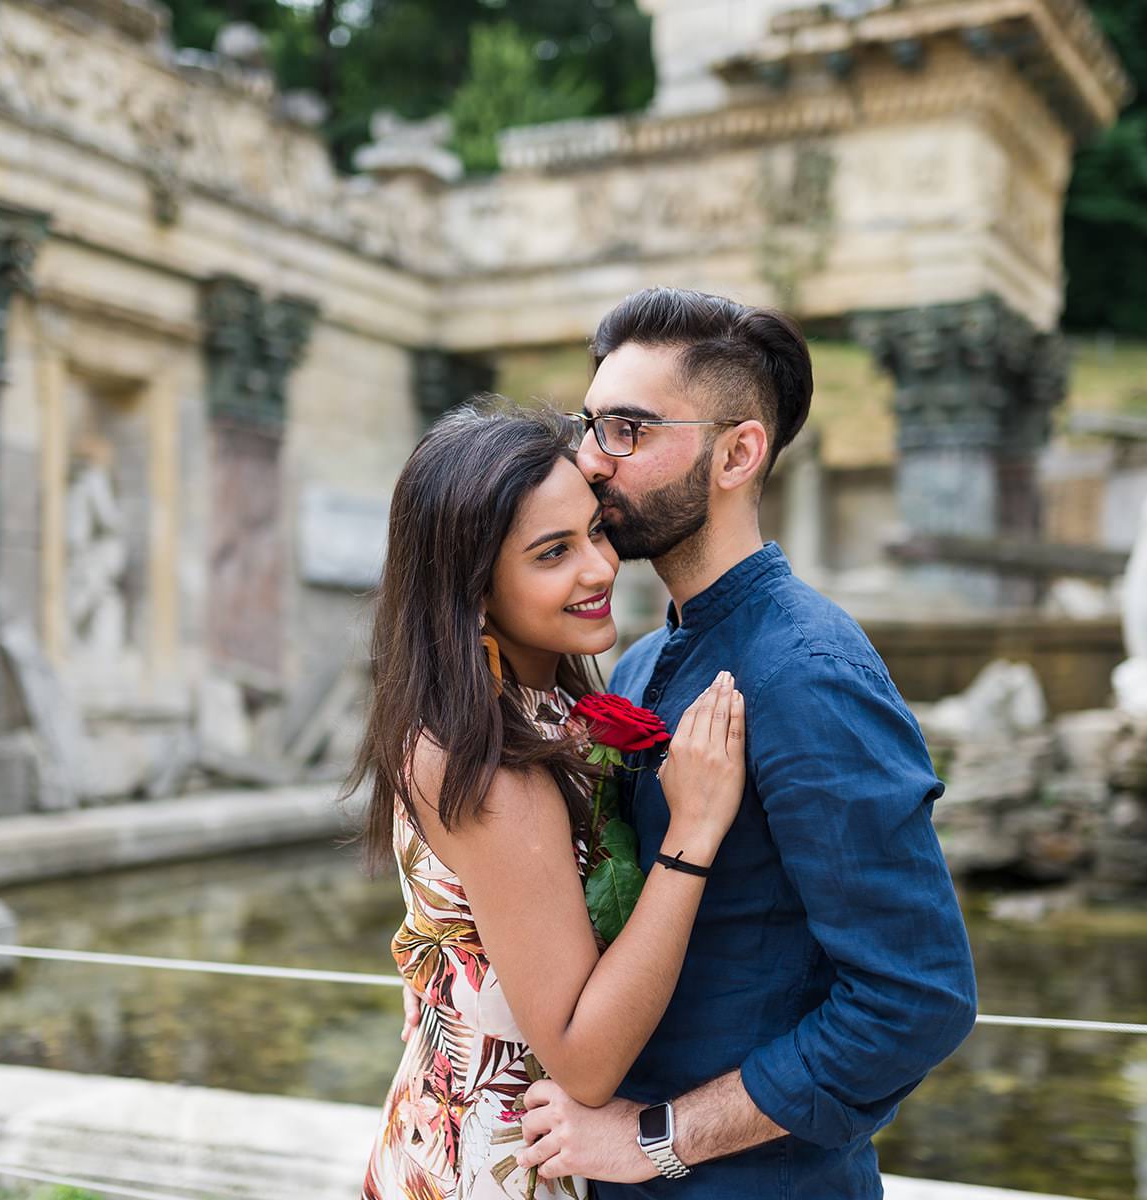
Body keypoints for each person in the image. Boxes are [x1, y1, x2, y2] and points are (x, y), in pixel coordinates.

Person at [515, 287, 977, 1197]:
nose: (590, 461)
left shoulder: (808, 671)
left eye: (628, 430)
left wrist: (659, 1138)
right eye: (590, 425)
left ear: (737, 453)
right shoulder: (641, 662)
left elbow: (915, 998)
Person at [350, 403, 749, 1200]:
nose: (599, 568)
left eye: (595, 532)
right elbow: (583, 1058)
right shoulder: (491, 764)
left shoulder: (511, 709)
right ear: (474, 588)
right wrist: (693, 836)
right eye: (552, 553)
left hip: (456, 1131)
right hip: (496, 1170)